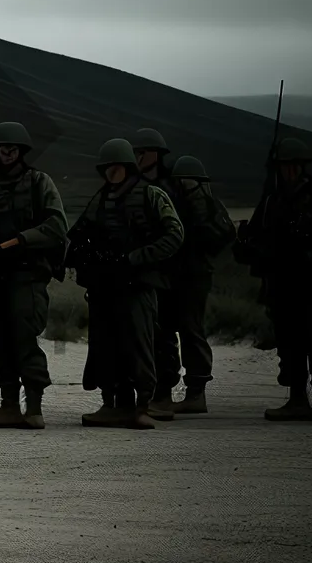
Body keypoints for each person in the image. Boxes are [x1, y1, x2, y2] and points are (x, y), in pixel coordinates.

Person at [68, 138, 183, 430]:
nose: (110, 173)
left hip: (136, 283)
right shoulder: (102, 197)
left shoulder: (150, 194)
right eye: (106, 168)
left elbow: (174, 235)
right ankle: (112, 402)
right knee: (104, 345)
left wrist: (135, 258)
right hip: (105, 284)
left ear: (127, 166)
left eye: (115, 167)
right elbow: (80, 232)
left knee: (140, 344)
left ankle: (142, 404)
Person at [0, 122, 68, 430]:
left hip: (25, 273)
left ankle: (33, 407)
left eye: (12, 149)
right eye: (1, 149)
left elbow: (57, 226)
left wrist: (21, 240)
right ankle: (8, 405)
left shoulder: (39, 182)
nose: (6, 154)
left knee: (24, 337)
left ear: (21, 151)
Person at [243, 138, 312, 422]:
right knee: (289, 346)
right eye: (285, 166)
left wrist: (311, 257)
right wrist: (250, 249)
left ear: (301, 167)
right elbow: (254, 237)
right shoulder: (271, 201)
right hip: (283, 285)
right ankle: (297, 400)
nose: (289, 171)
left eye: (294, 166)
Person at [164, 156, 236, 414]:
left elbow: (218, 237)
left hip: (194, 277)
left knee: (191, 331)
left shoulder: (203, 205)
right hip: (183, 276)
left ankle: (196, 393)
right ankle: (185, 391)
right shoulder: (198, 203)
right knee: (177, 330)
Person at [133, 128, 184, 421]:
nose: (139, 157)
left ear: (156, 154)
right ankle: (148, 392)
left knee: (163, 333)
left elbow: (176, 232)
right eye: (136, 152)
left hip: (165, 271)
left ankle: (164, 393)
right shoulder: (136, 186)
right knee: (144, 334)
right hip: (142, 272)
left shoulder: (168, 187)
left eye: (143, 152)